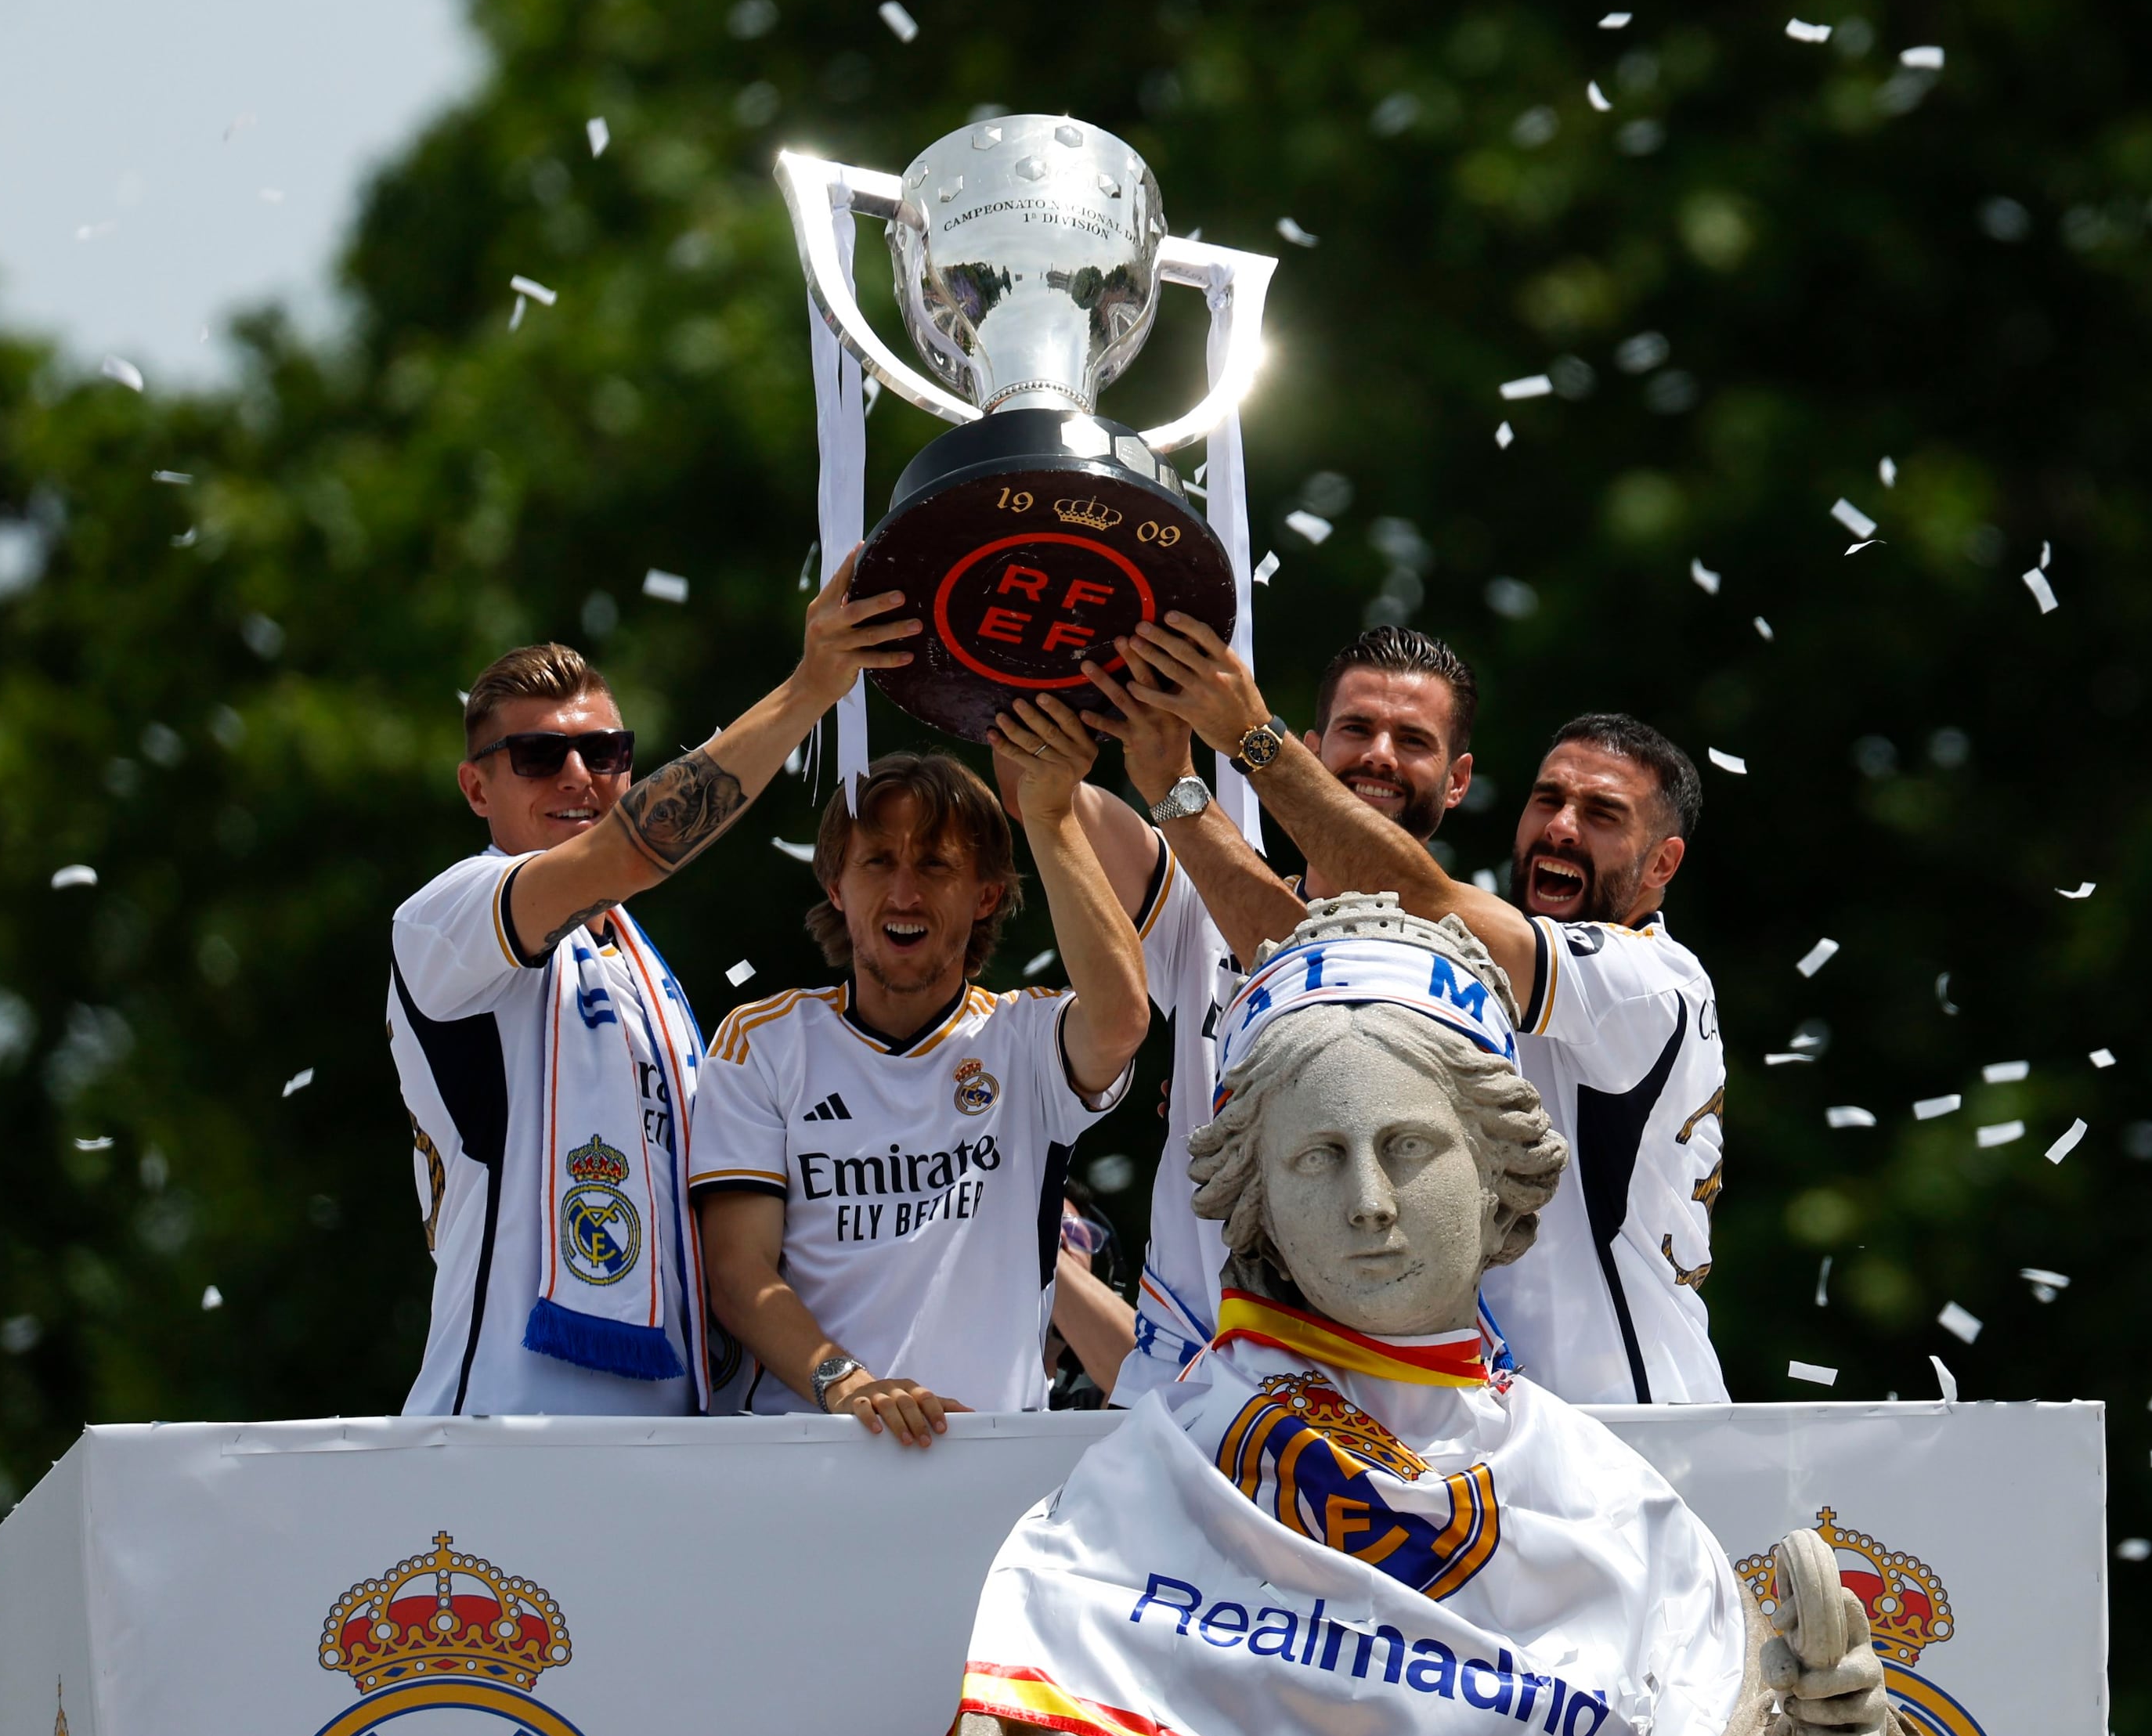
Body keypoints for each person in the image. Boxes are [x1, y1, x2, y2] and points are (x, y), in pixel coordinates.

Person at [714, 900, 1970, 1736]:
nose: (1368, 1201)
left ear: (1497, 1176)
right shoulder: (1164, 1472)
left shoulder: (1620, 1515)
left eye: (1409, 1147)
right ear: (1254, 1195)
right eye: (1317, 1156)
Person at [1106, 620, 1730, 1406]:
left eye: (1601, 814)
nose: (1561, 828)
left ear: (1661, 864)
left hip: (1631, 1424)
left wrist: (1252, 740)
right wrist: (1170, 786)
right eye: (1547, 801)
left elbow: (1424, 900)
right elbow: (1308, 945)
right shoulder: (1494, 955)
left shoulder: (1646, 980)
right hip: (1495, 1426)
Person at [385, 558, 916, 1417]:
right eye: (536, 754)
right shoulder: (446, 915)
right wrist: (812, 687)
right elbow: (629, 852)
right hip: (501, 1424)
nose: (576, 775)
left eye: (604, 752)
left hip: (672, 1439)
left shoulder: (645, 971)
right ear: (475, 786)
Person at [688, 716, 1156, 1442]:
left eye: (935, 865)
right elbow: (736, 1271)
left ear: (987, 896)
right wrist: (849, 1386)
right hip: (802, 1456)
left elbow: (1124, 1019)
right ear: (836, 887)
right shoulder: (765, 1040)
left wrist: (1049, 814)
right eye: (877, 861)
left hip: (992, 1463)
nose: (904, 893)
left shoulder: (1025, 1038)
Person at [1046, 623, 1486, 1388]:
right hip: (1188, 1381)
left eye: (1411, 739)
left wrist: (1194, 773)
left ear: (1457, 780)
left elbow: (1333, 965)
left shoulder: (1476, 956)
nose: (1379, 753)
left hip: (1384, 1398)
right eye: (1356, 729)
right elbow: (1054, 794)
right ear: (1312, 749)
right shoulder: (1199, 906)